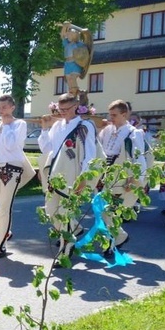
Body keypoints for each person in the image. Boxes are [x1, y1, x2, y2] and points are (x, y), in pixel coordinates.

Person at [38, 93, 100, 262]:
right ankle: (75, 229)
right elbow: (47, 149)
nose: (63, 112)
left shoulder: (84, 126)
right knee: (51, 212)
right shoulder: (57, 127)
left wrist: (84, 178)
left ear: (76, 107)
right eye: (60, 109)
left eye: (66, 109)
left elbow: (90, 154)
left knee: (65, 214)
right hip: (55, 175)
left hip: (73, 175)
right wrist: (44, 129)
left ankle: (65, 252)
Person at [0, 95, 36, 257]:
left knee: (5, 207)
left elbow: (13, 145)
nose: (1, 110)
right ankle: (4, 231)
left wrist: (6, 127)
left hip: (11, 170)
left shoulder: (19, 124)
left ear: (12, 107)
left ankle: (0, 244)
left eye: (5, 107)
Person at [98, 100, 147, 257]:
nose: (110, 118)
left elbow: (138, 159)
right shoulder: (106, 131)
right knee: (103, 210)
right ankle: (120, 237)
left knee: (109, 212)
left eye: (114, 115)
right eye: (109, 114)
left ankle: (110, 244)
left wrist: (133, 180)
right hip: (107, 175)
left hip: (123, 177)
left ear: (124, 114)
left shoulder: (133, 133)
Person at [60, 22, 89, 97]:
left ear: (74, 36)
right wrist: (64, 27)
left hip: (75, 63)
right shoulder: (66, 43)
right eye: (68, 34)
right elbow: (63, 35)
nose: (68, 36)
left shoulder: (80, 44)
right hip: (67, 63)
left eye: (70, 34)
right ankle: (71, 93)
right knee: (69, 79)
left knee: (73, 78)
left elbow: (85, 51)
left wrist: (85, 33)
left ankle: (75, 92)